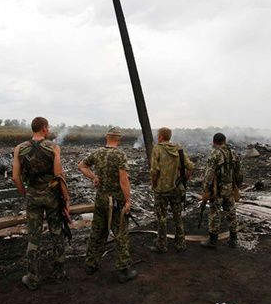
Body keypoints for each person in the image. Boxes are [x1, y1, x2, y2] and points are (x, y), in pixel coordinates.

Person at [12, 117, 70, 290]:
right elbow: (59, 176)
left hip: (33, 196)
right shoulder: (53, 147)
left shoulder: (19, 149)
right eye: (48, 127)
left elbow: (16, 177)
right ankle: (59, 271)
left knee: (34, 235)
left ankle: (32, 277)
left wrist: (26, 194)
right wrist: (66, 199)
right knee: (57, 232)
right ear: (44, 129)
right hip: (52, 197)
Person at [78, 127, 138, 283]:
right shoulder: (120, 155)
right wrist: (128, 201)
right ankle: (123, 270)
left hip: (101, 200)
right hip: (116, 201)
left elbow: (82, 166)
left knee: (98, 231)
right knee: (120, 233)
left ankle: (91, 264)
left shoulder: (97, 153)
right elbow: (123, 180)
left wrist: (94, 177)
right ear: (118, 139)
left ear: (107, 137)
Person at [150, 127, 194, 253]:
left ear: (161, 137)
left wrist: (154, 184)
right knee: (177, 215)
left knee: (162, 218)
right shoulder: (178, 148)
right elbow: (190, 166)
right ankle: (181, 243)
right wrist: (184, 179)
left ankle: (161, 245)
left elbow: (154, 170)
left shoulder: (157, 148)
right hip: (177, 188)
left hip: (161, 189)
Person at [200, 132, 242, 249]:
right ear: (225, 140)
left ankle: (213, 241)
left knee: (214, 213)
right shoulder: (233, 154)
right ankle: (233, 240)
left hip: (217, 190)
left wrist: (205, 190)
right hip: (229, 189)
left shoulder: (215, 154)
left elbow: (208, 175)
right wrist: (236, 186)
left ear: (214, 142)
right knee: (231, 213)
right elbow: (239, 173)